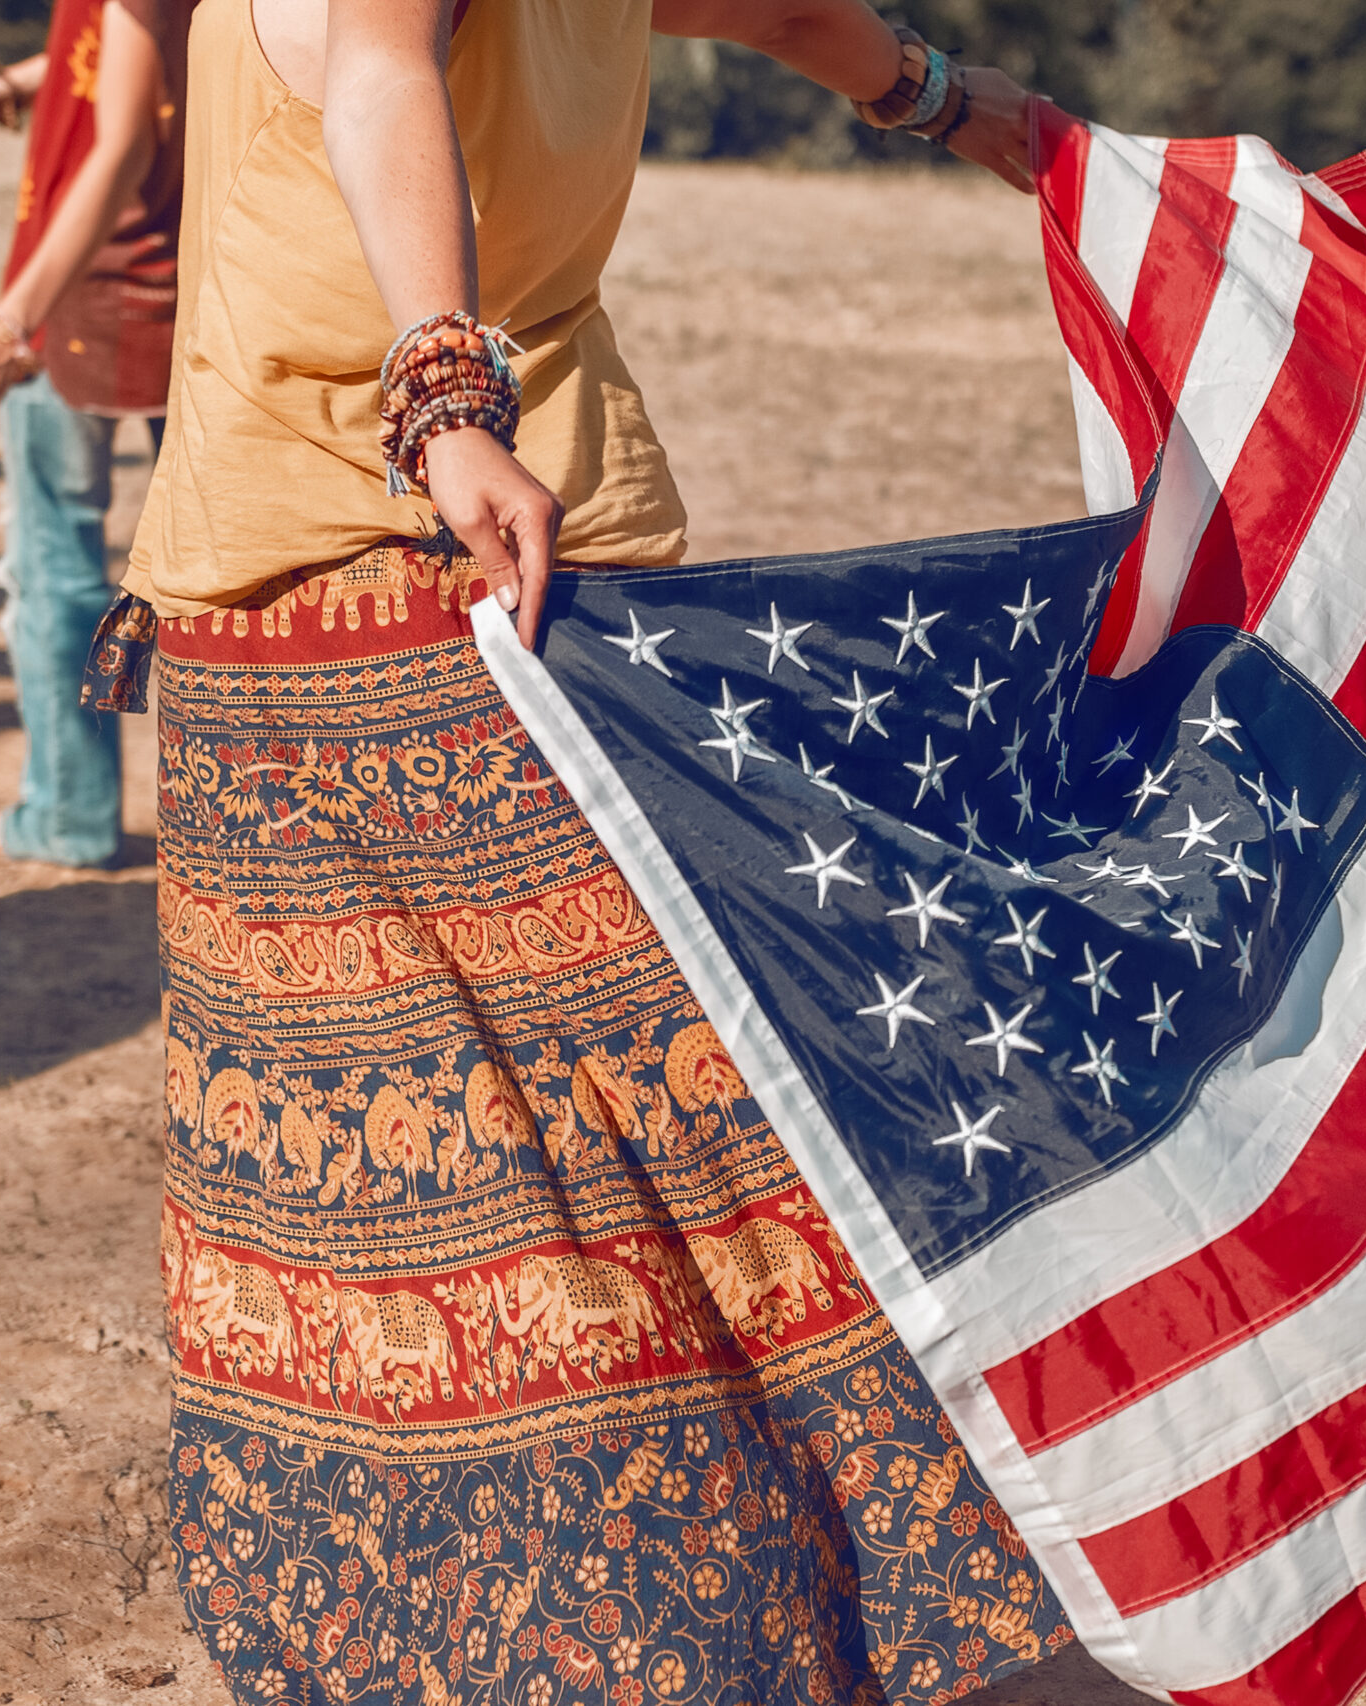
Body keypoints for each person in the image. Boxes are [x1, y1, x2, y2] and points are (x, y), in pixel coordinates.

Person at [88, 1, 1059, 1698]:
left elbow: (771, 9)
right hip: (363, 566)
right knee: (510, 1180)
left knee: (631, 1162)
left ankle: (704, 1624)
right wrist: (447, 395)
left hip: (522, 585)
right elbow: (377, 59)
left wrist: (966, 108)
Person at [0, 0, 194, 868]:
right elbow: (143, 48)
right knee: (206, 574)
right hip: (186, 281)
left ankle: (67, 811)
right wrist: (22, 82)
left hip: (90, 291)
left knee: (52, 571)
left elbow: (123, 146)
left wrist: (8, 323)